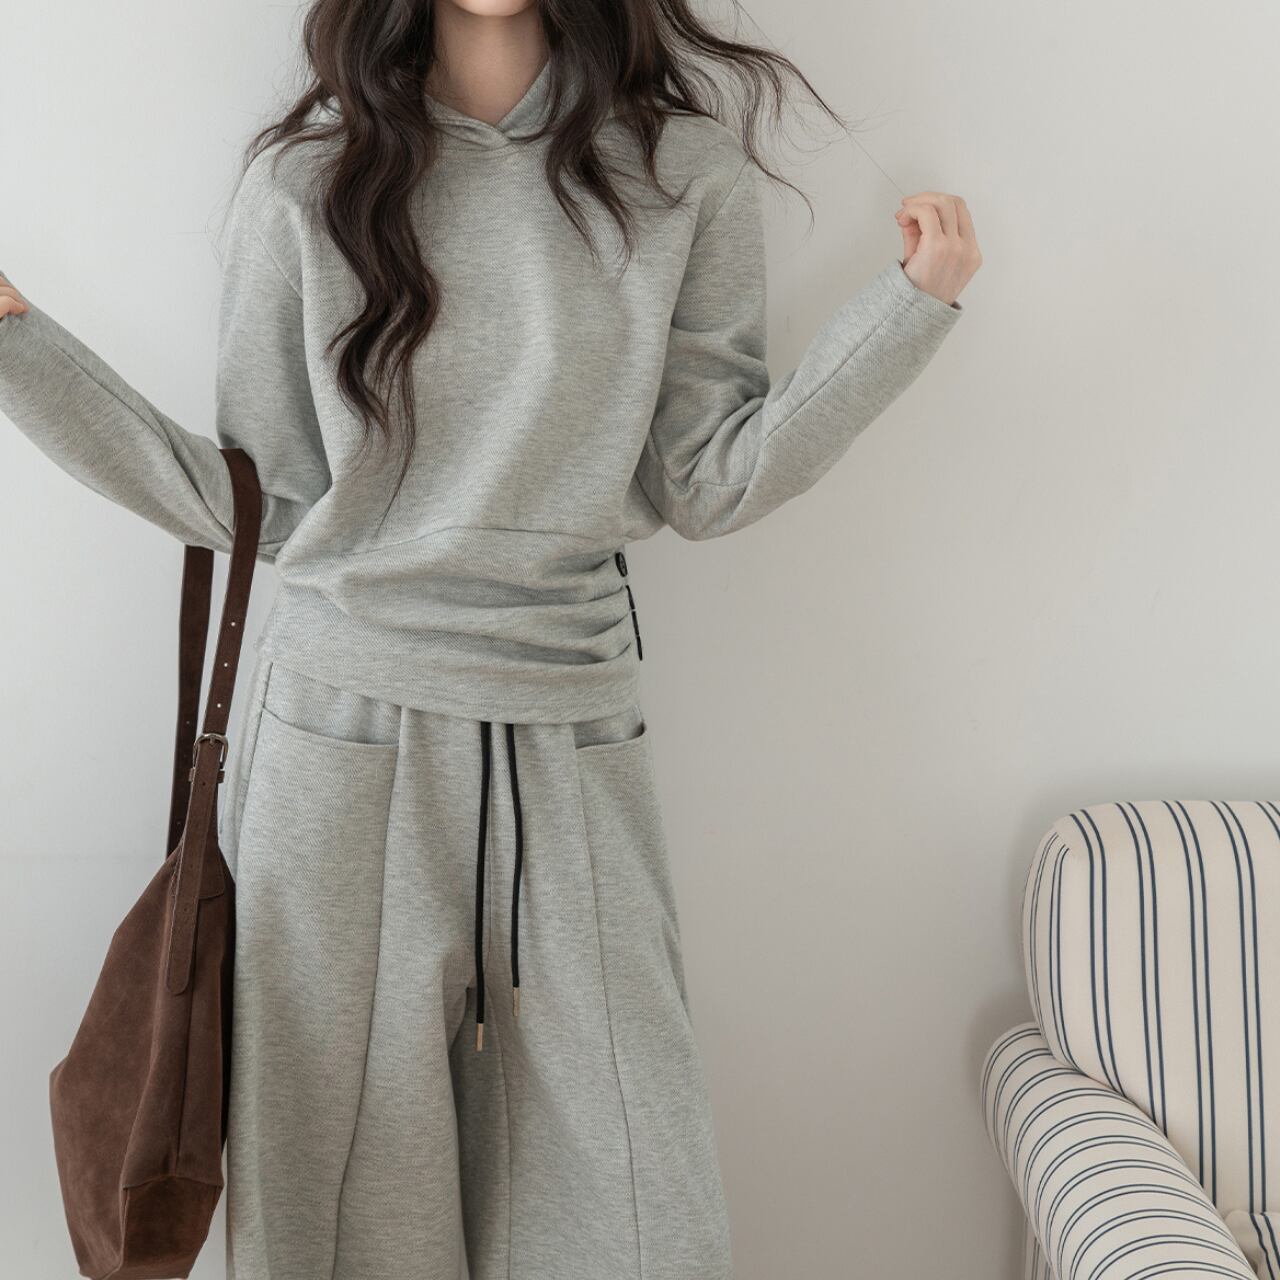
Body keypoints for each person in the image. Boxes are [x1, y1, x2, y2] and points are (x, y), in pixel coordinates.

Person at [0, 1, 980, 1276]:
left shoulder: (680, 172)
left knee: (636, 1219)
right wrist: (23, 352)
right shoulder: (306, 181)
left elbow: (705, 476)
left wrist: (905, 313)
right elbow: (263, 506)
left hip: (572, 730)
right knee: (338, 1226)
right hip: (339, 745)